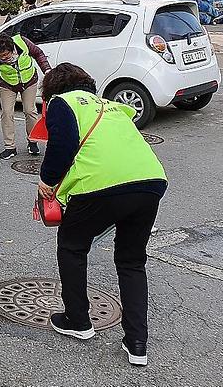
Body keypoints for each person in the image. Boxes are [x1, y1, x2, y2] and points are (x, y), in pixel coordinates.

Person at [38, 63, 167, 367]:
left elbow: (62, 145)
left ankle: (78, 320)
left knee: (72, 246)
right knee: (131, 261)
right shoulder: (113, 106)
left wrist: (47, 180)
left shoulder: (61, 102)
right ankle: (137, 343)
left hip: (100, 185)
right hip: (150, 181)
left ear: (53, 89)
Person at [0, 33, 51, 159]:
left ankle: (32, 141)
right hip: (8, 84)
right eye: (0, 56)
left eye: (6, 55)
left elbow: (38, 54)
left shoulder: (22, 42)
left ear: (11, 48)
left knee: (30, 111)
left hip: (29, 81)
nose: (4, 58)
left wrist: (47, 70)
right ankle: (10, 147)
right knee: (7, 113)